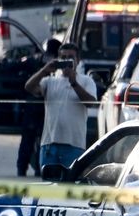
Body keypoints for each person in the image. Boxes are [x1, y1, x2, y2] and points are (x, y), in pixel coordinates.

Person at [24, 42, 96, 175]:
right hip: (49, 146)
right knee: (48, 185)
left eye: (70, 58)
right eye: (63, 58)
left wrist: (74, 83)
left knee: (70, 185)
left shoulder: (86, 81)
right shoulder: (50, 81)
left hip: (74, 146)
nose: (66, 61)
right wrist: (44, 71)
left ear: (78, 60)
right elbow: (29, 87)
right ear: (58, 59)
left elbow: (90, 103)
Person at [16, 38, 61, 177]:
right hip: (41, 106)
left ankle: (26, 168)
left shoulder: (38, 60)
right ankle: (32, 168)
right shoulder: (55, 64)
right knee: (37, 139)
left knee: (31, 139)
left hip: (38, 106)